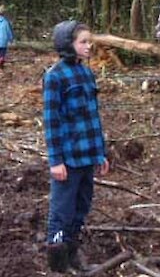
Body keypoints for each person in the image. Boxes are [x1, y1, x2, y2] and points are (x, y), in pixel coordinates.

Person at [43, 21, 110, 272]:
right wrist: (55, 161)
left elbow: (93, 118)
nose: (89, 46)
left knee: (81, 207)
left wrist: (100, 154)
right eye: (83, 42)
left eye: (89, 41)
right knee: (62, 210)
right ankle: (58, 262)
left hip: (87, 155)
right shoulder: (55, 76)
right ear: (67, 44)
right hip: (68, 158)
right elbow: (51, 122)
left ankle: (73, 253)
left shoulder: (87, 73)